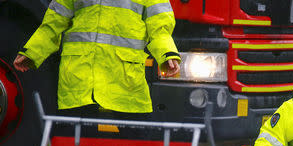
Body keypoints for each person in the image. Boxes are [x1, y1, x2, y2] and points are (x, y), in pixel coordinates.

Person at [13, 0, 180, 127]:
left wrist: (167, 54)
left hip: (124, 85)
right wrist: (33, 53)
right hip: (80, 85)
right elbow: (52, 24)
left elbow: (160, 28)